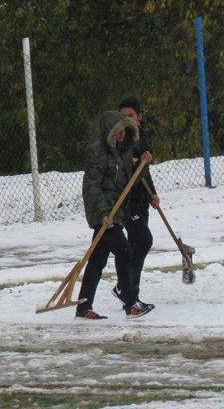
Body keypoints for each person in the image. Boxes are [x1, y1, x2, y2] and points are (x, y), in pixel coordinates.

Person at [77, 110, 153, 320]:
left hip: (116, 213)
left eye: (124, 132)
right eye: (118, 133)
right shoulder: (97, 153)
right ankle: (131, 304)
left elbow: (130, 183)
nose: (122, 136)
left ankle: (83, 307)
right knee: (124, 251)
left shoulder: (124, 152)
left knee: (97, 260)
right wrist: (103, 213)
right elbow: (91, 186)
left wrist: (142, 166)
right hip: (103, 214)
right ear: (110, 132)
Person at [112, 97, 160, 310]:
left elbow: (144, 170)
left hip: (141, 197)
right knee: (143, 240)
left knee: (134, 244)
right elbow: (123, 166)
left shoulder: (143, 136)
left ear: (139, 117)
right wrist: (132, 162)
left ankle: (132, 297)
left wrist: (153, 194)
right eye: (123, 116)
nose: (126, 120)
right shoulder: (121, 139)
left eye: (130, 116)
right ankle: (125, 288)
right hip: (127, 199)